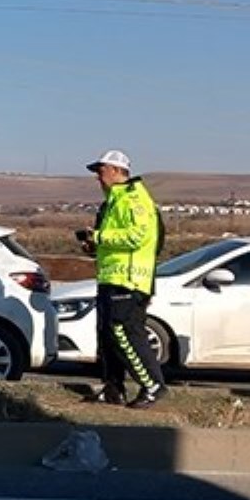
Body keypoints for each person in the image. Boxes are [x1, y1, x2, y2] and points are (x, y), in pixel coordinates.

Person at [78, 149, 167, 409]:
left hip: (130, 280)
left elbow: (137, 236)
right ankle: (112, 389)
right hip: (110, 277)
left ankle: (152, 385)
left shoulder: (134, 199)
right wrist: (92, 246)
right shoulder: (112, 202)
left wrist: (99, 238)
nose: (98, 177)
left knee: (124, 333)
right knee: (106, 335)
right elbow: (112, 242)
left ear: (117, 171)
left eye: (101, 170)